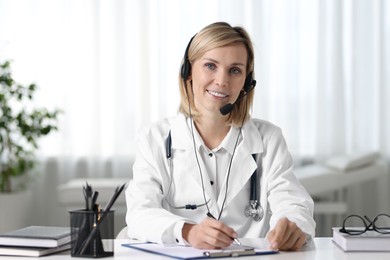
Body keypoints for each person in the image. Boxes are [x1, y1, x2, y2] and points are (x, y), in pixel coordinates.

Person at [125, 21, 315, 251]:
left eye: (235, 70)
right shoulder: (155, 138)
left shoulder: (269, 138)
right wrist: (187, 231)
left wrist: (292, 226)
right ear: (188, 72)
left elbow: (292, 202)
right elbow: (139, 213)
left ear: (247, 82)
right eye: (210, 66)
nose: (222, 81)